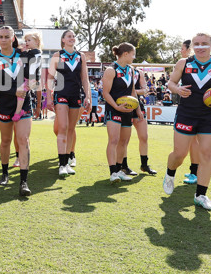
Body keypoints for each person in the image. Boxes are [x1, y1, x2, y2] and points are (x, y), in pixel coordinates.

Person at [163, 33, 211, 210]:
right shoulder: (184, 63)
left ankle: (201, 195)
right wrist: (177, 89)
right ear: (193, 47)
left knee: (206, 155)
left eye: (204, 43)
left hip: (209, 116)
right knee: (179, 154)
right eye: (197, 44)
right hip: (186, 114)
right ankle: (170, 173)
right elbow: (171, 83)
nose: (200, 47)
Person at [0, 26, 33, 196]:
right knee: (5, 141)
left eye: (7, 36)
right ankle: (4, 173)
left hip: (24, 104)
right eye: (1, 36)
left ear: (13, 38)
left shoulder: (23, 54)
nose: (3, 39)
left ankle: (23, 181)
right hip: (4, 105)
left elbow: (33, 75)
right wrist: (13, 91)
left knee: (23, 139)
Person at [47, 29, 91, 177]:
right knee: (63, 127)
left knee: (71, 128)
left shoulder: (81, 56)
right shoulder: (57, 55)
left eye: (73, 36)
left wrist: (88, 96)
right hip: (61, 94)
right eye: (69, 36)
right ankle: (62, 164)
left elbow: (85, 79)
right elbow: (50, 78)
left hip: (76, 95)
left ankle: (67, 161)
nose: (72, 38)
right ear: (63, 40)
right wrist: (48, 97)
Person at [101, 42, 143, 183]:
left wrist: (138, 109)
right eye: (133, 54)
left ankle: (119, 170)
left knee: (124, 141)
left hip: (128, 111)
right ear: (125, 54)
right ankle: (113, 172)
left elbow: (132, 92)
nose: (134, 57)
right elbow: (105, 93)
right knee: (114, 140)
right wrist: (116, 107)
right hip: (114, 109)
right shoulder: (110, 70)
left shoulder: (130, 70)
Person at [126, 67, 157, 175]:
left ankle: (144, 165)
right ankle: (123, 166)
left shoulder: (139, 72)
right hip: (123, 105)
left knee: (144, 136)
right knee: (124, 139)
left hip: (137, 104)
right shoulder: (117, 70)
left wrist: (133, 91)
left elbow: (145, 89)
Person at [180, 40, 201, 185]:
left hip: (197, 110)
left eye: (182, 49)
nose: (181, 51)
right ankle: (194, 171)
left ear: (189, 49)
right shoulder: (184, 63)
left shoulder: (197, 63)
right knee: (193, 143)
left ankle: (196, 173)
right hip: (187, 108)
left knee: (195, 143)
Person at [12, 32, 43, 122]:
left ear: (37, 42)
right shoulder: (32, 52)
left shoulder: (36, 52)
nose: (26, 42)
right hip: (28, 78)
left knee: (21, 92)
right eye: (25, 41)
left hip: (31, 79)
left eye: (29, 40)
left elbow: (27, 60)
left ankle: (18, 111)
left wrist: (24, 51)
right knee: (21, 93)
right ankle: (19, 110)